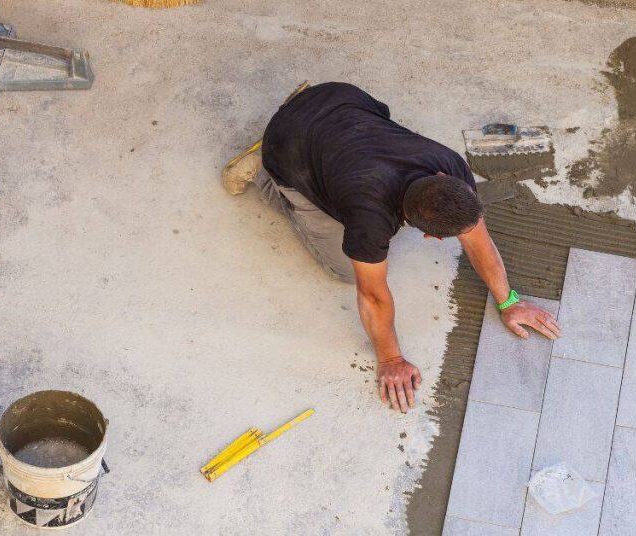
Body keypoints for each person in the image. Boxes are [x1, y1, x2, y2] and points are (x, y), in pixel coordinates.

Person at [223, 82, 561, 413]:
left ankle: (305, 114)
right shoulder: (370, 218)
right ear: (430, 235)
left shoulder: (452, 167)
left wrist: (509, 301)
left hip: (336, 98)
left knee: (356, 158)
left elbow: (479, 241)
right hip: (288, 143)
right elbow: (372, 295)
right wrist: (390, 359)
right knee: (343, 269)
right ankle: (263, 172)